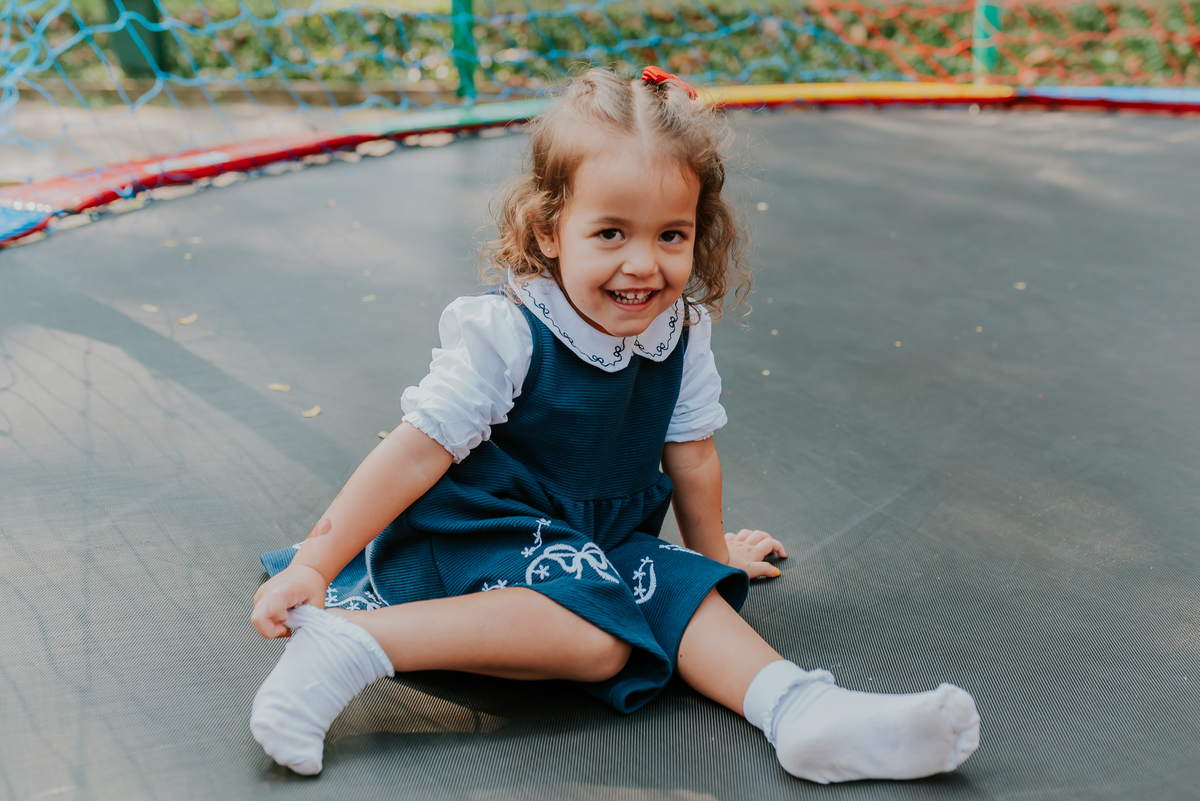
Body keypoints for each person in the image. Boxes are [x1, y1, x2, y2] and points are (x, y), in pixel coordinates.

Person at [248, 66, 980, 783]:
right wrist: (317, 561)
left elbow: (692, 457)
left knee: (680, 595)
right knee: (598, 639)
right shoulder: (507, 332)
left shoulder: (681, 332)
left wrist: (710, 558)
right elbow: (412, 455)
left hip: (595, 542)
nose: (644, 263)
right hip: (481, 533)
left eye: (671, 235)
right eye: (610, 232)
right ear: (549, 229)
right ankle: (353, 644)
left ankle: (801, 711)